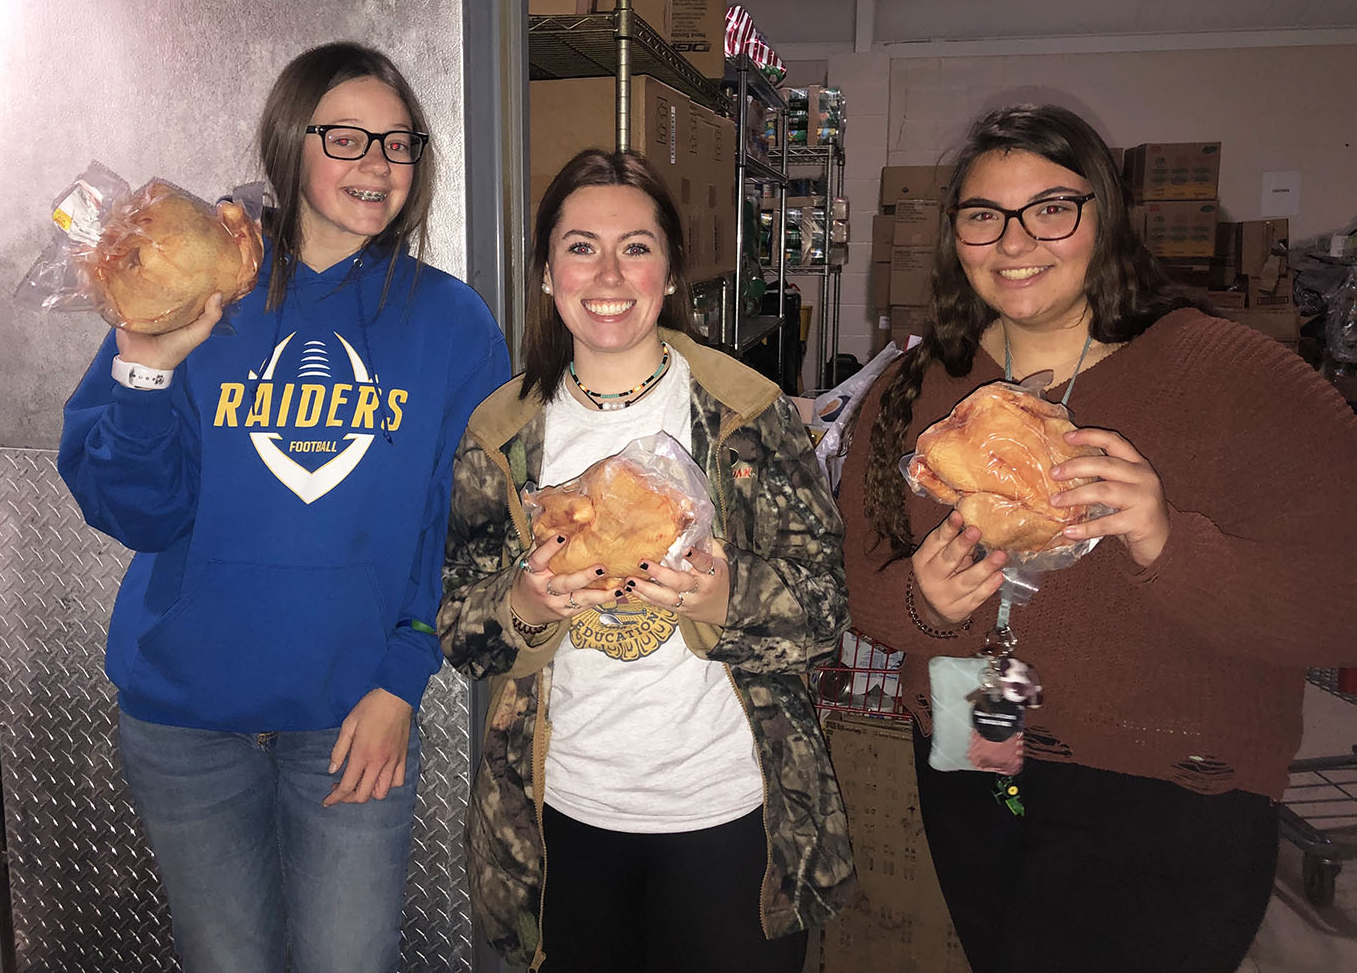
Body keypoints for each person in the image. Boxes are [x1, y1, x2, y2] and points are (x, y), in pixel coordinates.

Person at [838, 102, 1357, 972]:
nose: (1014, 243)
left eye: (1050, 208)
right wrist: (921, 607)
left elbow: (1341, 606)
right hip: (972, 762)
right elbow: (860, 586)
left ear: (1104, 219)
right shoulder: (921, 391)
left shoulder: (1236, 380)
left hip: (1170, 790)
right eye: (982, 217)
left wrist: (1166, 541)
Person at [58, 42, 509, 973]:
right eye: (345, 137)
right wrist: (148, 363)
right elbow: (134, 514)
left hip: (352, 718)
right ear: (289, 143)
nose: (376, 164)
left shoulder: (452, 324)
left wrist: (401, 678)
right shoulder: (202, 292)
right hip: (186, 720)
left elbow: (466, 529)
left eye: (398, 142)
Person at [437, 149, 856, 973]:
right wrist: (525, 604)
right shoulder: (502, 434)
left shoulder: (747, 415)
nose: (609, 274)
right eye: (580, 246)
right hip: (563, 822)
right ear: (548, 272)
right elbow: (460, 632)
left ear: (669, 275)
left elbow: (827, 612)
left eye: (637, 247)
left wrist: (722, 600)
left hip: (732, 818)